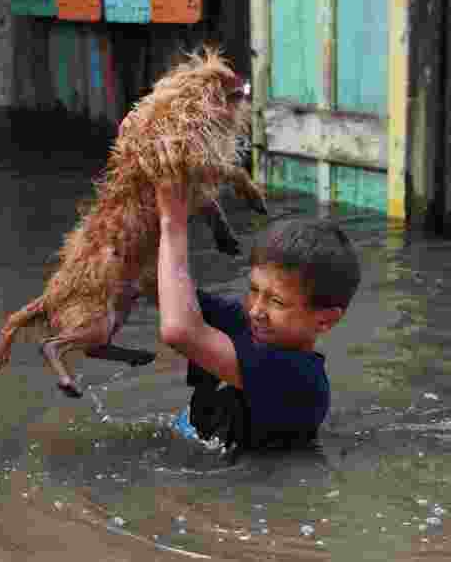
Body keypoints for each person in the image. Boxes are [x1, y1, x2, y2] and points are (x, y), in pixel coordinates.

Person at [146, 140, 362, 455]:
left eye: (277, 302)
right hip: (196, 445)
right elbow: (162, 289)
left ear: (325, 319)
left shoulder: (300, 380)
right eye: (254, 290)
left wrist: (173, 223)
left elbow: (179, 331)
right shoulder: (249, 323)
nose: (257, 310)